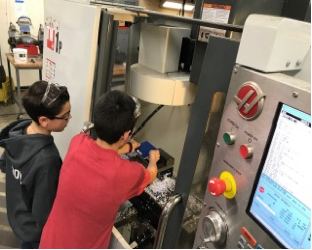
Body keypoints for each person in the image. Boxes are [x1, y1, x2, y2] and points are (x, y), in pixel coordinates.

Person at [40, 90, 159, 249]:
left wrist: (128, 147)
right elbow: (151, 175)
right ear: (125, 134)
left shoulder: (77, 143)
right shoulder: (126, 174)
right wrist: (153, 159)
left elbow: (100, 153)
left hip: (50, 242)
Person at [0, 81, 71, 249]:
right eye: (66, 115)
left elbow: (4, 165)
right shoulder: (48, 160)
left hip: (17, 215)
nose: (69, 118)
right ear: (44, 120)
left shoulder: (18, 133)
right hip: (35, 232)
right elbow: (44, 213)